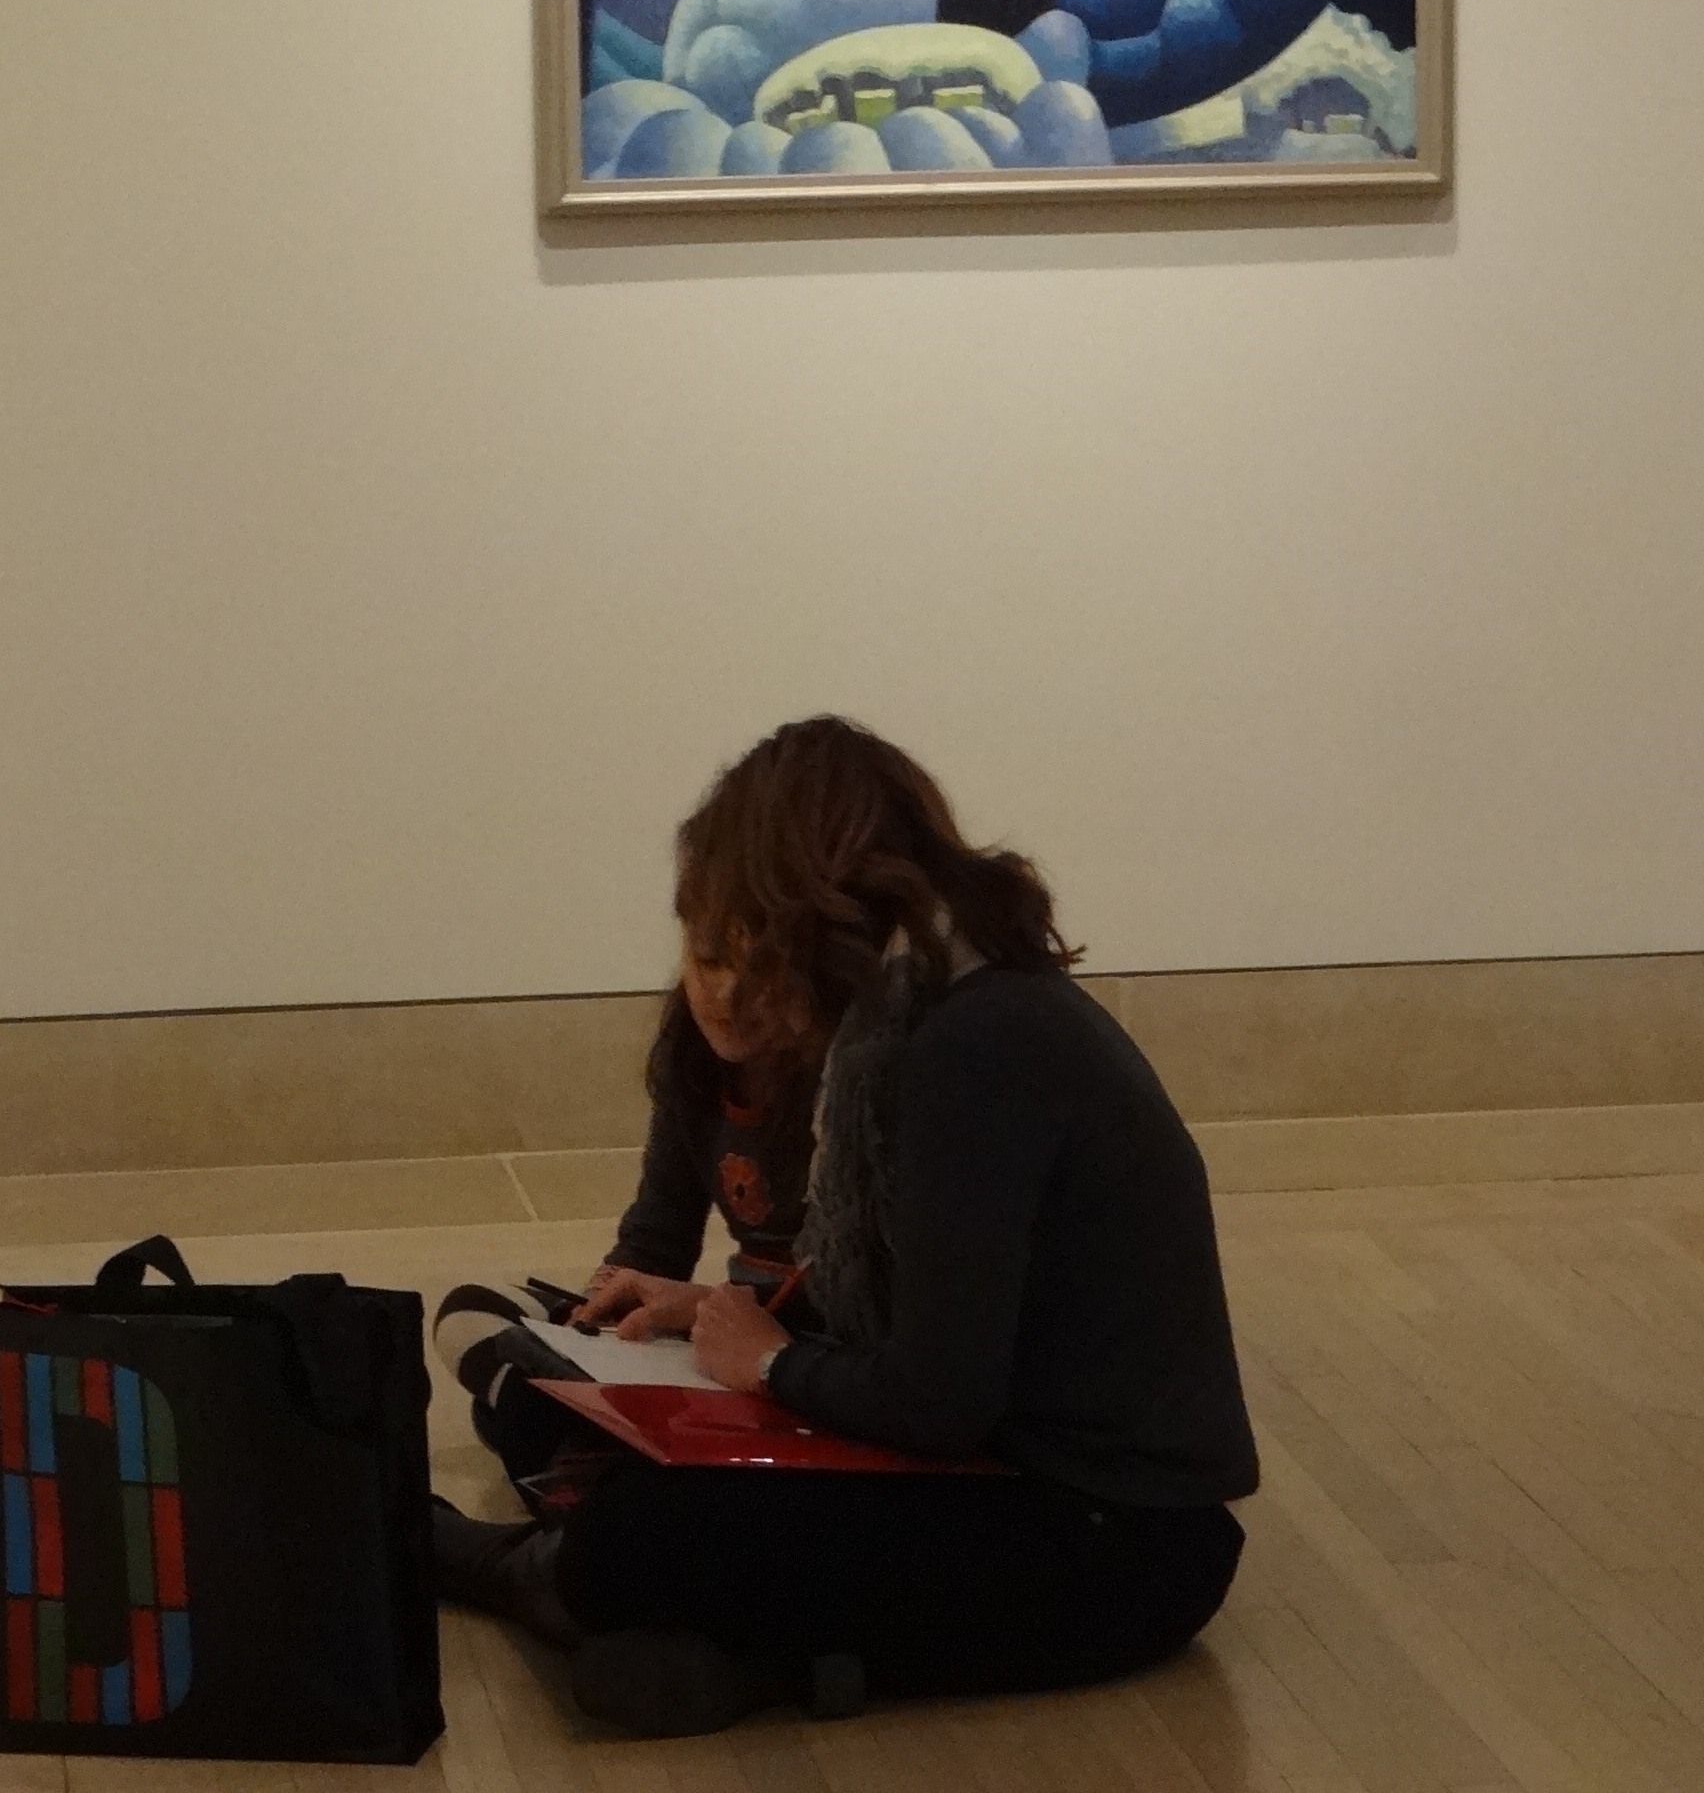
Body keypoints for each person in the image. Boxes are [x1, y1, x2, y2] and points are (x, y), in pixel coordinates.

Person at [429, 716, 1258, 1738]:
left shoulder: (973, 1048)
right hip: (1003, 1477)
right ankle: (753, 1663)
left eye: (756, 943)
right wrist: (711, 1314)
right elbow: (917, 1308)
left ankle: (555, 1576)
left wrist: (771, 1364)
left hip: (1112, 1545)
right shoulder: (932, 1016)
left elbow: (940, 1400)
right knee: (549, 1402)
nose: (737, 988)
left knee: (643, 1534)